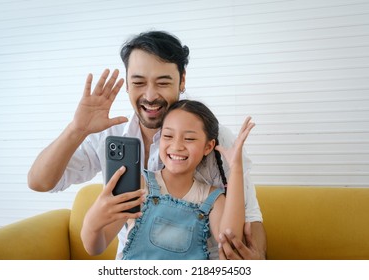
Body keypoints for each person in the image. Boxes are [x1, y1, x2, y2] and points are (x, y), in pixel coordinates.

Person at [27, 30, 266, 260]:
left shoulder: (216, 139)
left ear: (182, 81)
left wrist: (257, 262)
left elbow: (249, 216)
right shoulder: (108, 136)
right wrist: (76, 130)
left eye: (163, 82)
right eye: (139, 82)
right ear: (128, 84)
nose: (150, 96)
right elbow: (40, 182)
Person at [80, 100, 253, 259]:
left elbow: (230, 243)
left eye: (189, 138)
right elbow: (96, 247)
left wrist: (236, 168)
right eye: (168, 136)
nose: (177, 146)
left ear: (208, 147)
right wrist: (91, 223)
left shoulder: (213, 199)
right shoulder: (138, 186)